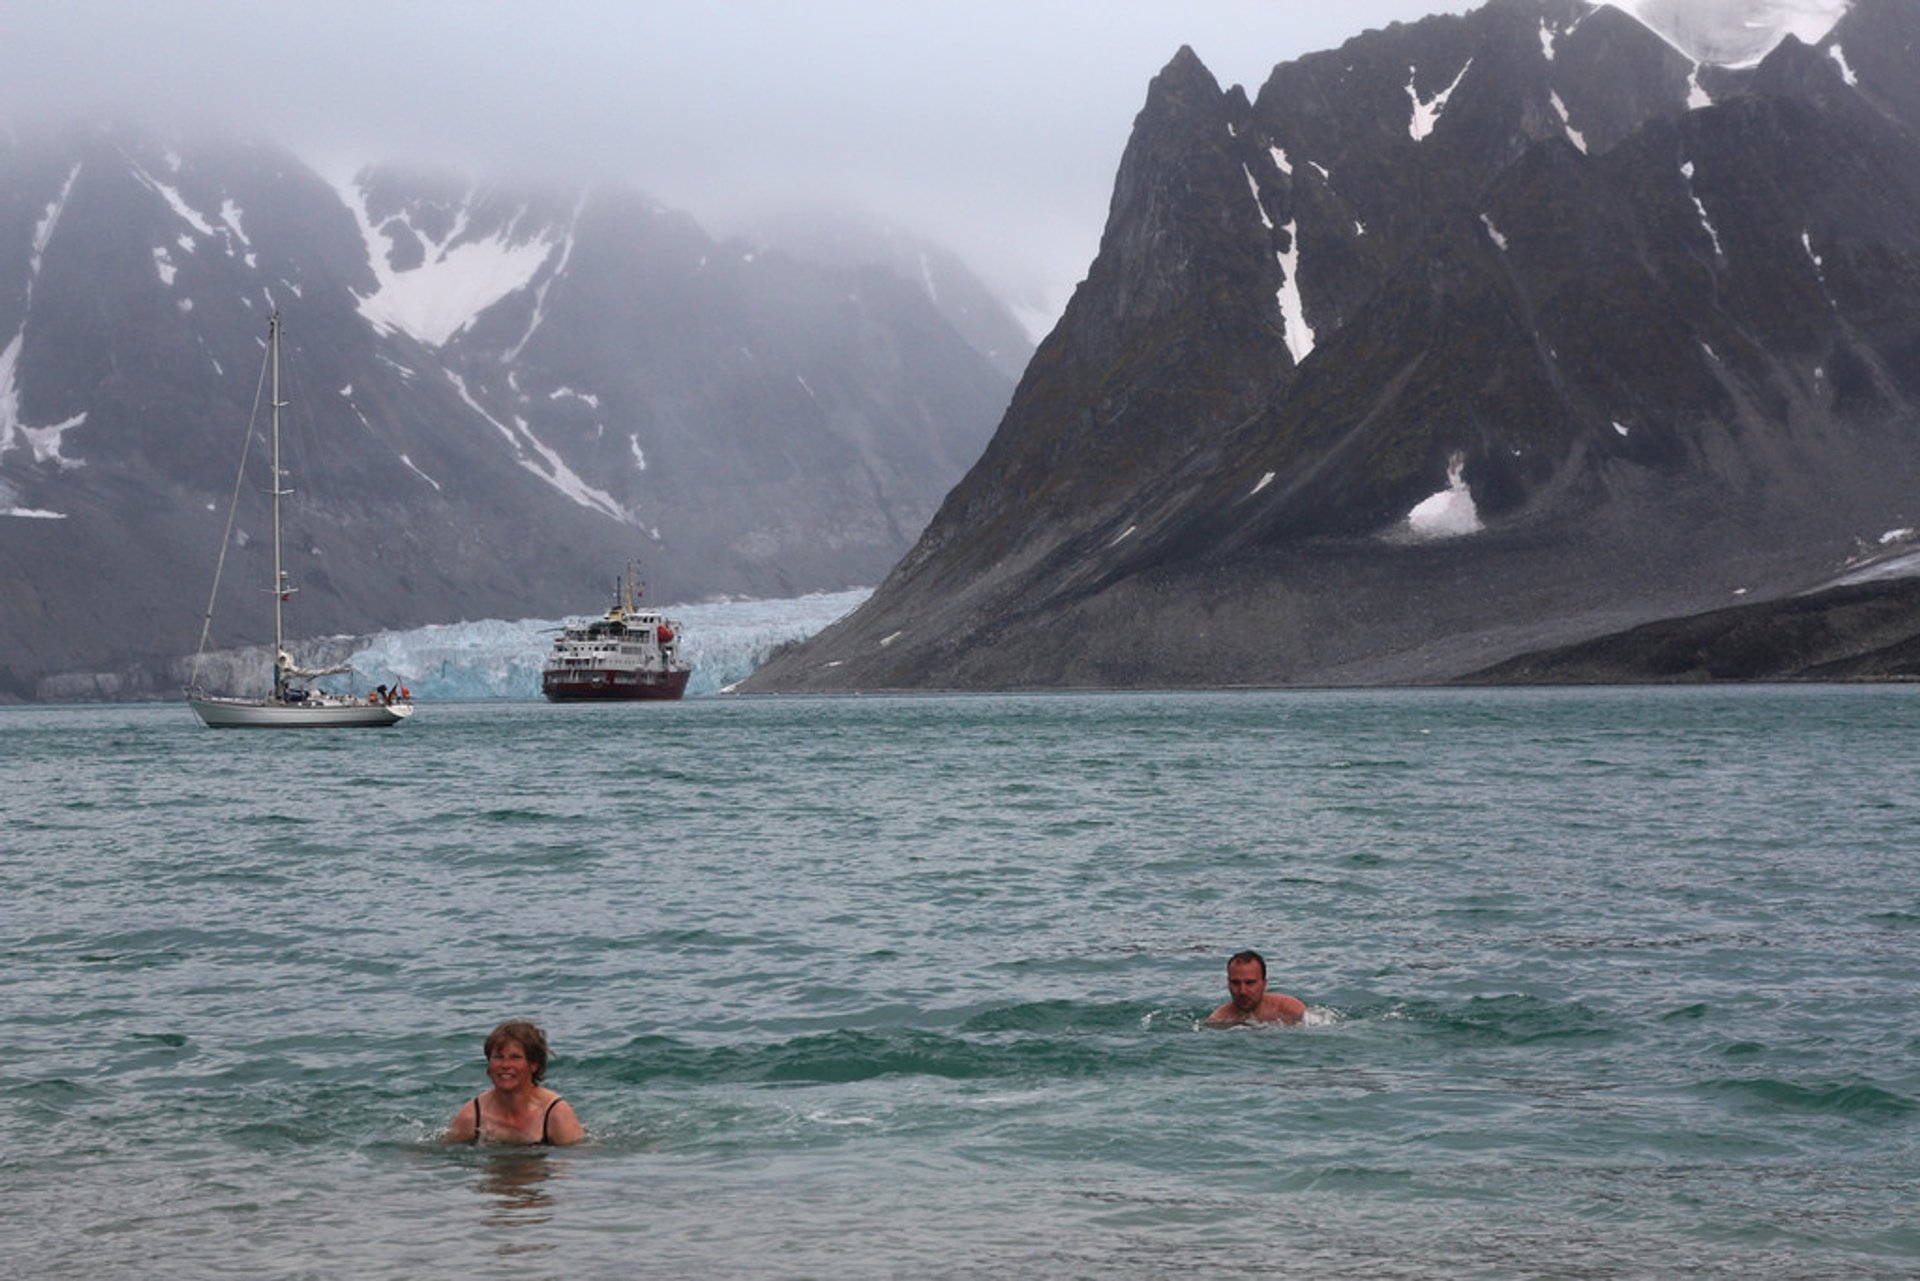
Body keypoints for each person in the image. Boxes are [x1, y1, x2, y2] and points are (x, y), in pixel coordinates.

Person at [444, 1019, 585, 1146]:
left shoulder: (555, 1113)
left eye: (515, 1057)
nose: (505, 1065)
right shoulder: (472, 1116)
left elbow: (575, 1165)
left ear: (533, 1065)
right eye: (498, 1057)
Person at [1206, 950, 1306, 1026]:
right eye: (1236, 983)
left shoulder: (1290, 1009)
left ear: (1264, 984)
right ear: (1228, 984)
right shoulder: (1218, 1021)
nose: (1242, 991)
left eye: (1250, 983)